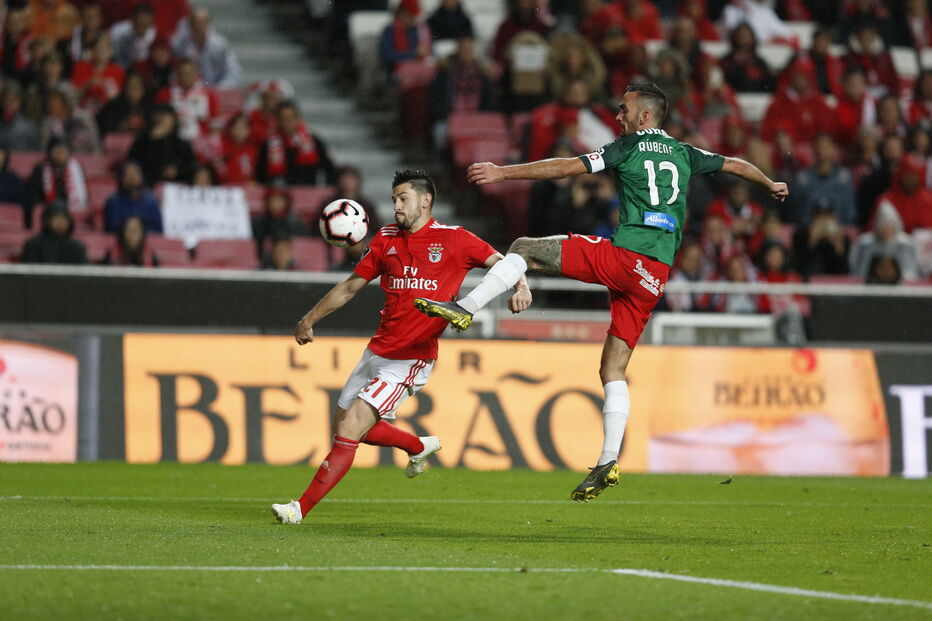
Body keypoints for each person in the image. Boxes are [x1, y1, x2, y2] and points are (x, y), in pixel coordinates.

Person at [414, 82, 788, 502]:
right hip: (655, 276)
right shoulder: (686, 153)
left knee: (523, 248)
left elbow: (566, 167)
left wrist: (504, 172)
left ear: (645, 116)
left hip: (625, 258)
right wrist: (769, 182)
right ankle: (609, 460)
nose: (618, 116)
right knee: (612, 368)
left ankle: (464, 306)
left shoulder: (626, 148)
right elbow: (736, 165)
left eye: (625, 109)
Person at [270, 169, 532, 525]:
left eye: (403, 198)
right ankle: (417, 446)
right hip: (376, 351)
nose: (396, 206)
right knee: (344, 426)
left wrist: (521, 286)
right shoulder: (386, 238)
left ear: (425, 201)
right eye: (394, 199)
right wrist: (309, 319)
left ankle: (298, 509)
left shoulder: (454, 239)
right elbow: (350, 287)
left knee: (351, 429)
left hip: (412, 358)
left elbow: (506, 263)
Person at [20, 202, 87, 264]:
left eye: (64, 218)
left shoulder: (77, 247)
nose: (61, 222)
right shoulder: (33, 245)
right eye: (57, 218)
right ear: (47, 220)